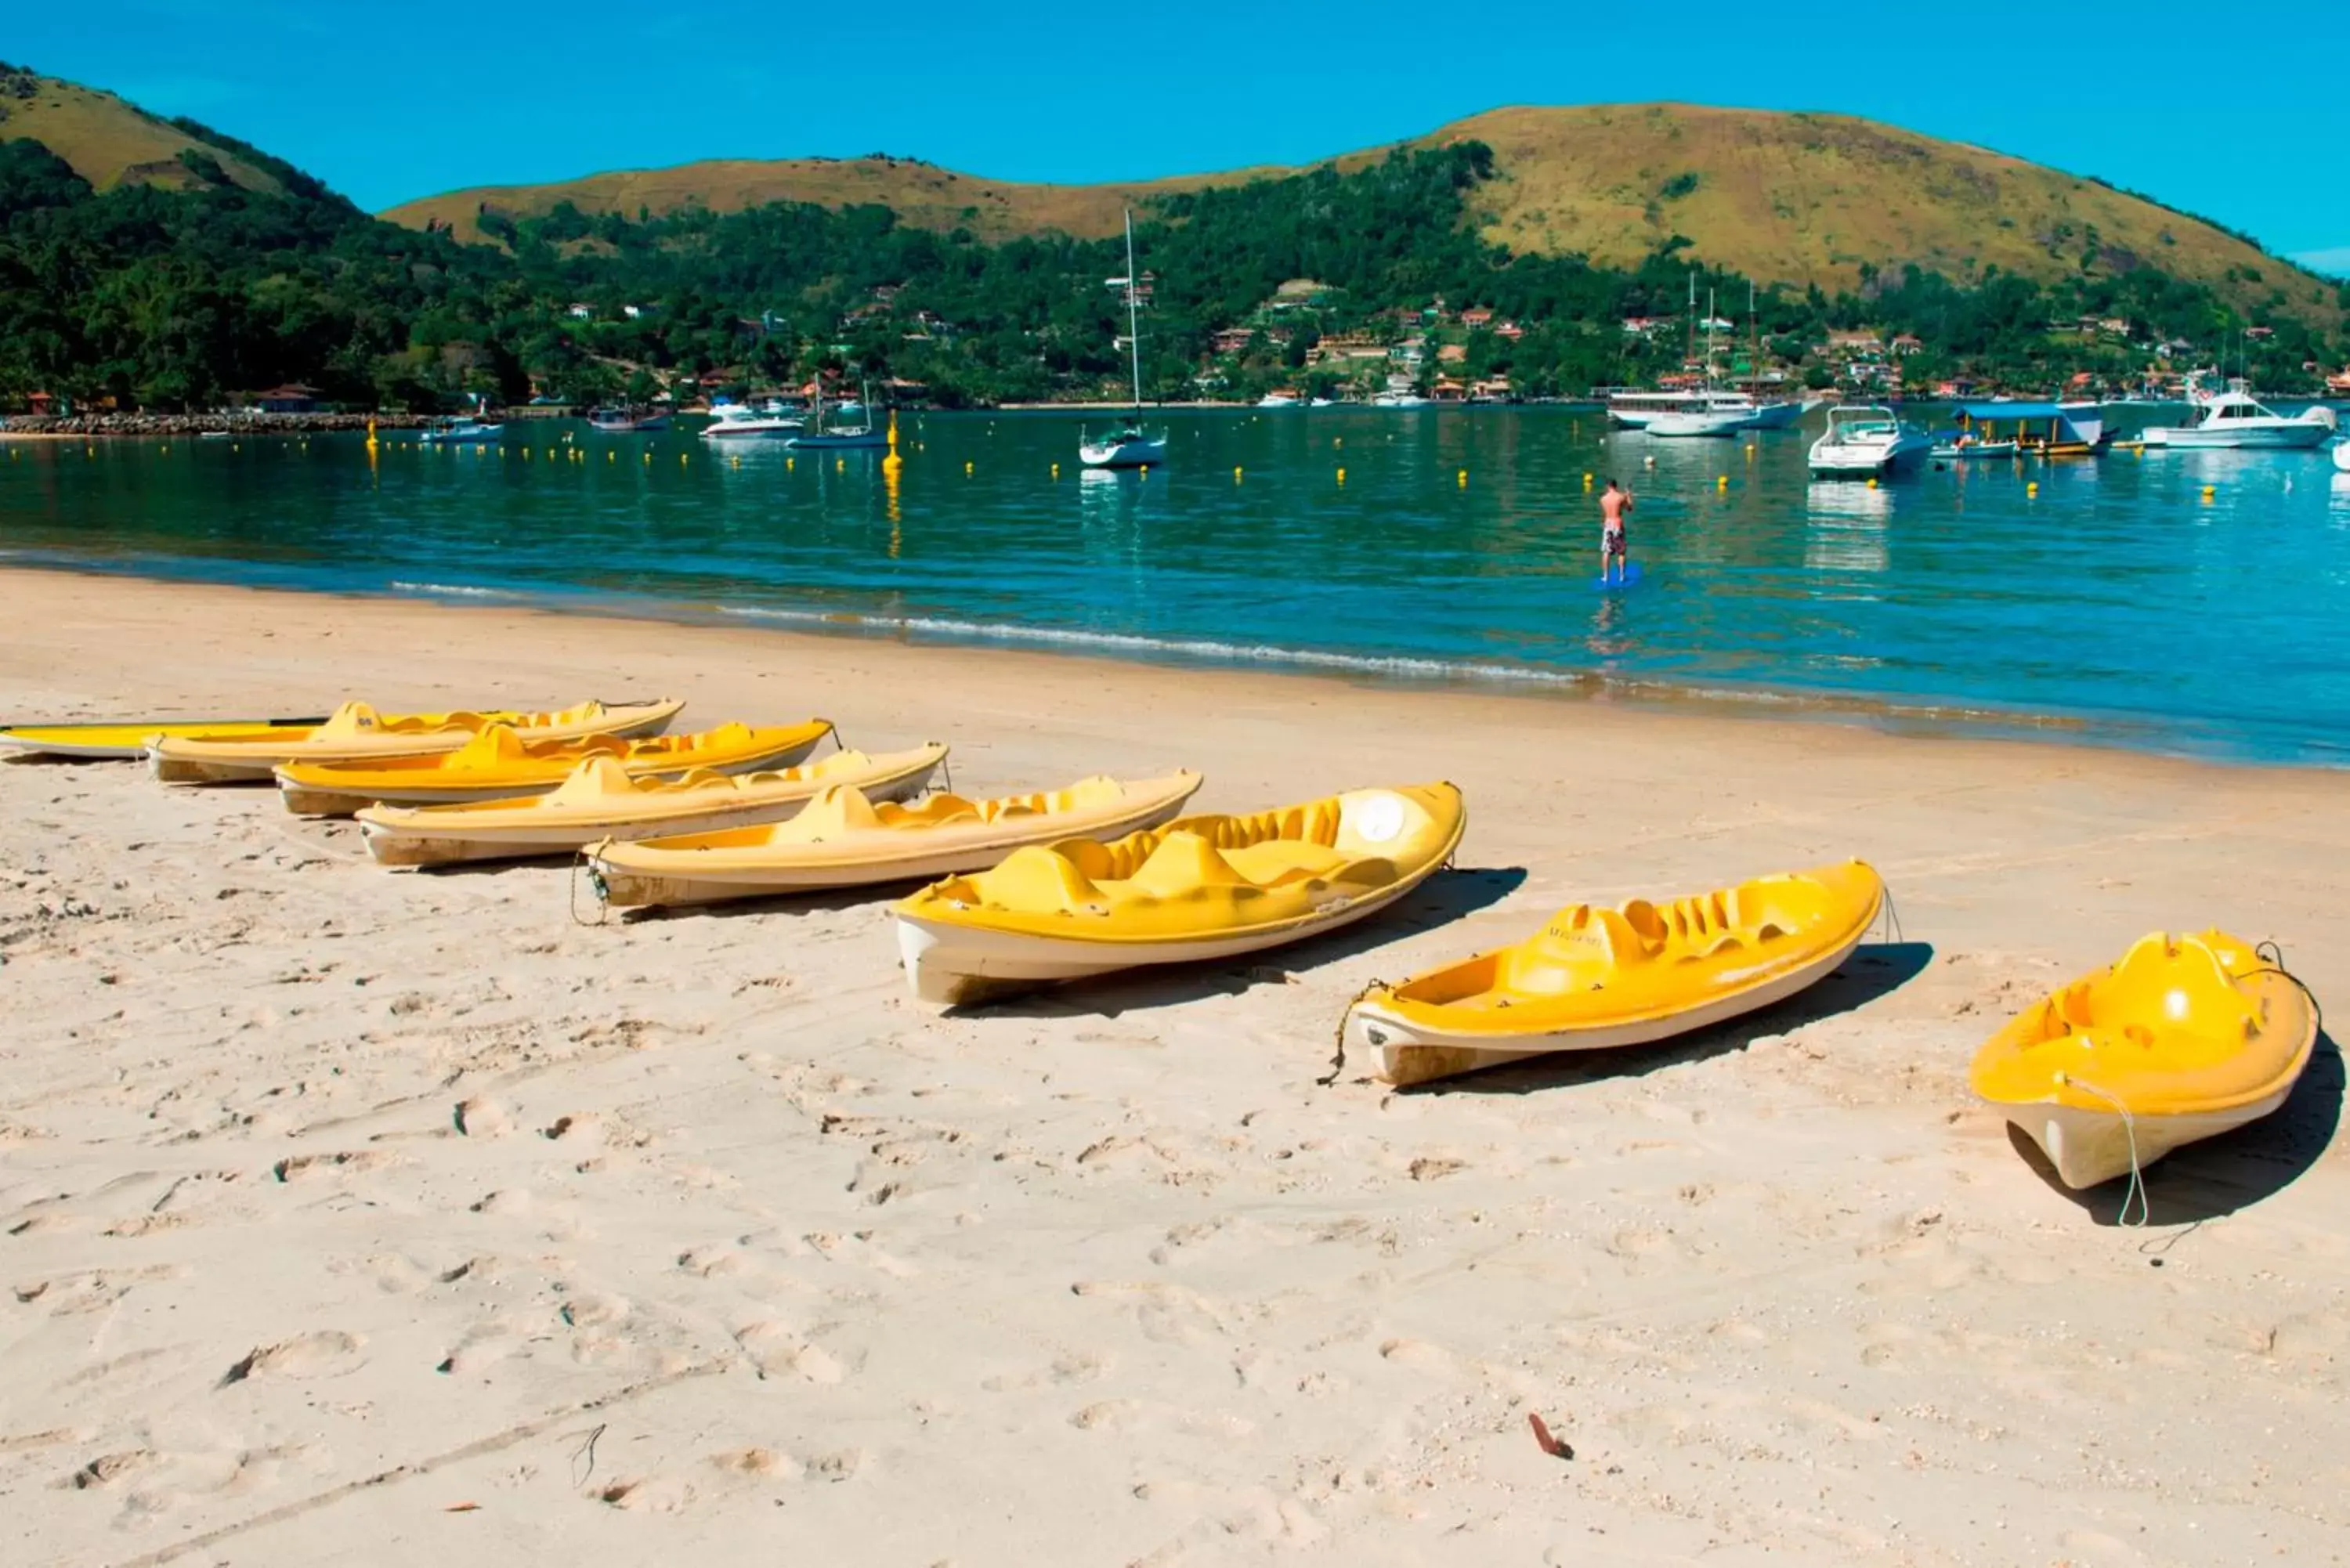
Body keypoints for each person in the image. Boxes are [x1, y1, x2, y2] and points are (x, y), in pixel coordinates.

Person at [1598, 478, 1632, 583]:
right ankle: (1621, 576)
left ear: (1608, 486)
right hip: (1618, 524)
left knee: (1606, 552)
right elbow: (1629, 509)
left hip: (1608, 524)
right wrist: (1628, 496)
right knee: (1621, 552)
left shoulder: (1603, 499)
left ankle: (1605, 576)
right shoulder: (1621, 497)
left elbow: (1606, 513)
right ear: (1616, 486)